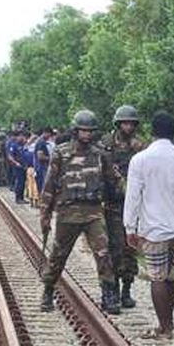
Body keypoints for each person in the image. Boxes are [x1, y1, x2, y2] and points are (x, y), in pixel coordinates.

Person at [40, 110, 122, 315]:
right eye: (83, 131)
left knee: (104, 254)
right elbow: (49, 184)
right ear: (75, 131)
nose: (86, 135)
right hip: (67, 211)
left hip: (93, 211)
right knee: (59, 255)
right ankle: (48, 290)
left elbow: (112, 182)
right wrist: (45, 213)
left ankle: (109, 295)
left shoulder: (101, 155)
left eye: (90, 131)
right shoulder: (61, 152)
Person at [124, 111, 174, 339]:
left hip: (153, 228)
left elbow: (133, 196)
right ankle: (170, 323)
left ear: (152, 131)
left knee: (157, 276)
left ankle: (164, 328)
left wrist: (130, 227)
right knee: (170, 275)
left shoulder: (141, 159)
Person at [100, 105, 146, 309]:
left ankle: (127, 289)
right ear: (118, 123)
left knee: (129, 249)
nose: (128, 126)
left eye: (131, 123)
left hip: (133, 204)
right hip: (111, 204)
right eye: (125, 122)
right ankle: (112, 290)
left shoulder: (140, 146)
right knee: (111, 248)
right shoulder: (105, 144)